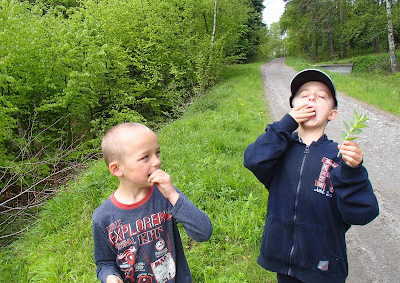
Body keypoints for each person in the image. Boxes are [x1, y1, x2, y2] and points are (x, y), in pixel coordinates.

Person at [243, 69, 379, 283]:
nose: (311, 98)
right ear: (293, 107)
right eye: (303, 95)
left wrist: (353, 171)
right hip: (283, 263)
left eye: (321, 96)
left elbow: (362, 214)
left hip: (325, 267)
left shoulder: (339, 155)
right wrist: (286, 124)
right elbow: (253, 159)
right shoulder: (279, 149)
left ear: (332, 113)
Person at [92, 123, 213, 283]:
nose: (156, 162)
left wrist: (173, 195)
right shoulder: (103, 218)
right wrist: (110, 277)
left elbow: (203, 232)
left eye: (157, 153)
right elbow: (104, 263)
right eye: (145, 157)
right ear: (116, 169)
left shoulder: (165, 195)